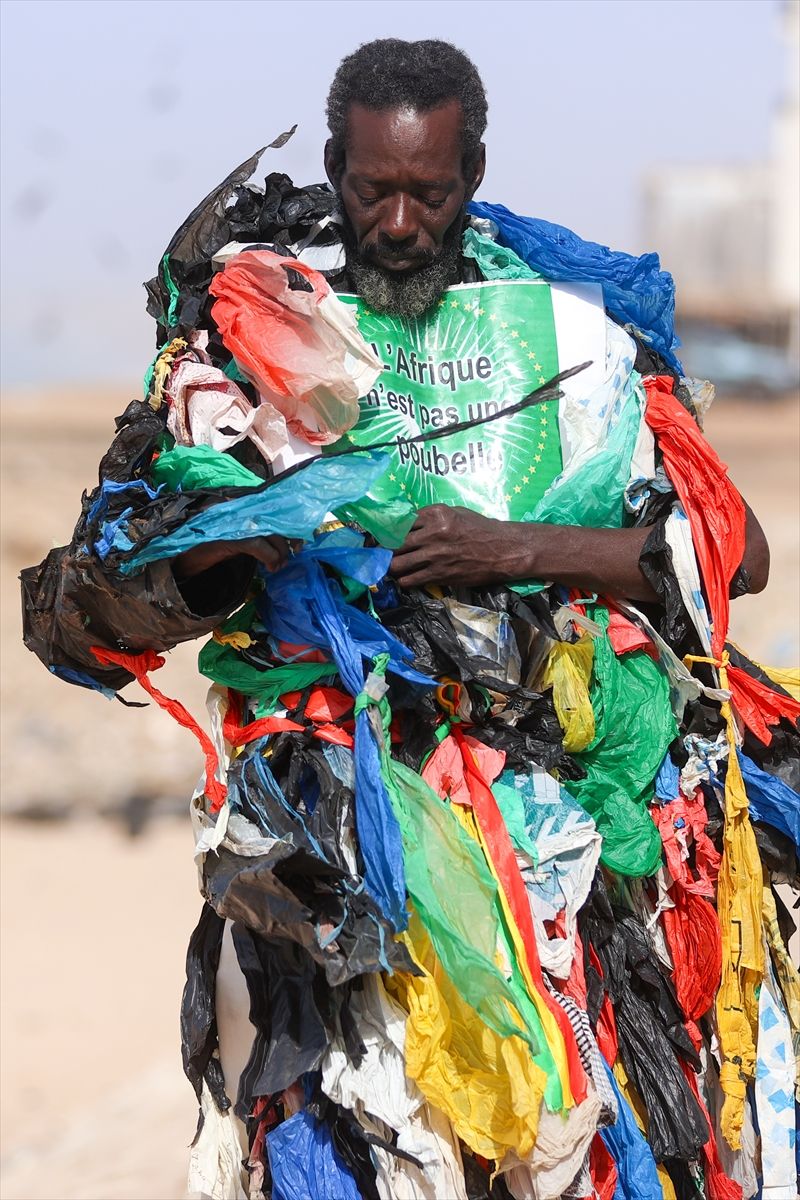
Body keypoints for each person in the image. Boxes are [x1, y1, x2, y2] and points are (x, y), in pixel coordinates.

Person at [22, 37, 799, 1200]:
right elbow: (80, 620)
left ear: (472, 171)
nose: (396, 223)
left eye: (426, 193)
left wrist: (511, 549)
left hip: (569, 852)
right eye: (370, 189)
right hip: (343, 863)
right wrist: (248, 531)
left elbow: (727, 552)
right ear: (330, 165)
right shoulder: (256, 339)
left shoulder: (569, 331)